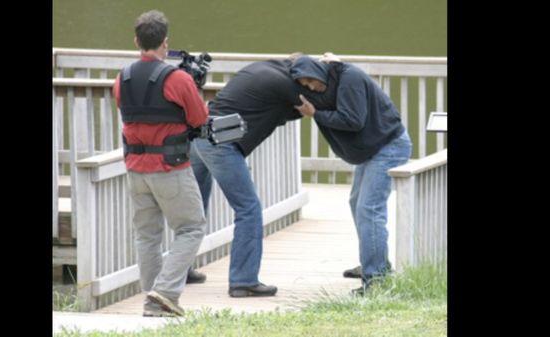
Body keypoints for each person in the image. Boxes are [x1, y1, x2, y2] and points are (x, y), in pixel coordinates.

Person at [189, 57, 312, 297]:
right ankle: (243, 280)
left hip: (199, 137)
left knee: (195, 206)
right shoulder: (284, 83)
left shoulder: (262, 67)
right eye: (307, 81)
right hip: (220, 143)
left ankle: (180, 269)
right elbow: (314, 105)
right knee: (249, 208)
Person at [290, 54, 413, 295]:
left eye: (310, 82)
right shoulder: (332, 76)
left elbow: (354, 120)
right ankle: (374, 262)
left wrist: (315, 114)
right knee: (357, 202)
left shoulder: (350, 78)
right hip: (372, 149)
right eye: (304, 86)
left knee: (370, 209)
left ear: (319, 71)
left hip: (388, 146)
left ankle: (376, 279)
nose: (310, 87)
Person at [112, 10, 208, 316]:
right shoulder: (176, 78)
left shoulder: (121, 78)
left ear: (136, 41)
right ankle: (164, 293)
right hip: (169, 168)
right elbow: (198, 118)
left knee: (147, 235)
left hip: (135, 169)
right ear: (165, 43)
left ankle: (154, 301)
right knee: (192, 228)